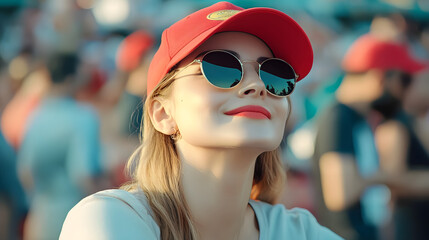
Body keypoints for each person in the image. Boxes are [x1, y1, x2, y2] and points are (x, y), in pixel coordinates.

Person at [60, 2, 342, 239]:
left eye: (276, 74)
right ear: (162, 113)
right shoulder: (110, 220)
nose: (256, 85)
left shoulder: (300, 231)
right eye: (221, 67)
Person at [312, 33, 426, 240]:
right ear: (381, 77)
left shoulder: (358, 117)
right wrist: (380, 176)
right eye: (404, 80)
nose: (404, 90)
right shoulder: (337, 118)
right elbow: (340, 193)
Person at [17, 52, 103, 240]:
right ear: (72, 78)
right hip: (75, 218)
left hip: (40, 217)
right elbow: (84, 175)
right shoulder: (84, 117)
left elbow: (25, 170)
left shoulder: (36, 116)